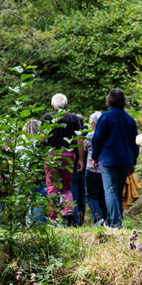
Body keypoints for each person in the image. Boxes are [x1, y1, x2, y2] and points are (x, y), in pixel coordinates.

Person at [90, 88, 139, 228]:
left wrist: (94, 157)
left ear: (110, 100)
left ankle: (114, 223)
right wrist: (133, 161)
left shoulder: (105, 117)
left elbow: (97, 139)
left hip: (108, 160)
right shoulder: (130, 119)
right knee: (117, 191)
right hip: (125, 161)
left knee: (110, 190)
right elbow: (135, 143)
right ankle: (117, 220)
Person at [41, 93, 84, 222]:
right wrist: (81, 159)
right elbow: (80, 140)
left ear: (52, 105)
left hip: (52, 155)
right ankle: (69, 209)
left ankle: (52, 217)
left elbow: (42, 138)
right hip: (68, 155)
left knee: (52, 186)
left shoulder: (47, 117)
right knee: (66, 187)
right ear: (65, 106)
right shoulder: (73, 118)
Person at [83, 111, 108, 225]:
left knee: (92, 196)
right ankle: (106, 219)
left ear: (93, 124)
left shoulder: (89, 136)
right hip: (105, 170)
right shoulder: (107, 135)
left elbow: (84, 149)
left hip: (91, 169)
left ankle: (98, 219)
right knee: (103, 195)